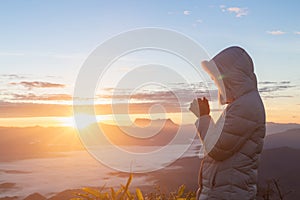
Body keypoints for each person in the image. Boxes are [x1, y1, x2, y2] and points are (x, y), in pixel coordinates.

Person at [189, 46, 266, 200]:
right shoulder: (241, 104)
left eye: (217, 78)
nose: (215, 83)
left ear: (231, 77)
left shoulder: (246, 106)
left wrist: (203, 116)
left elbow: (218, 149)